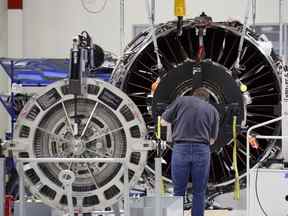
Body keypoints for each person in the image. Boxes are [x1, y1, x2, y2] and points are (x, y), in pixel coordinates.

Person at [161, 87, 219, 216]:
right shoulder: (213, 110)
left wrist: (168, 140)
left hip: (181, 148)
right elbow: (212, 140)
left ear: (193, 95)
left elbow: (163, 121)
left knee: (178, 189)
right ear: (207, 99)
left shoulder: (181, 101)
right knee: (199, 190)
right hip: (202, 150)